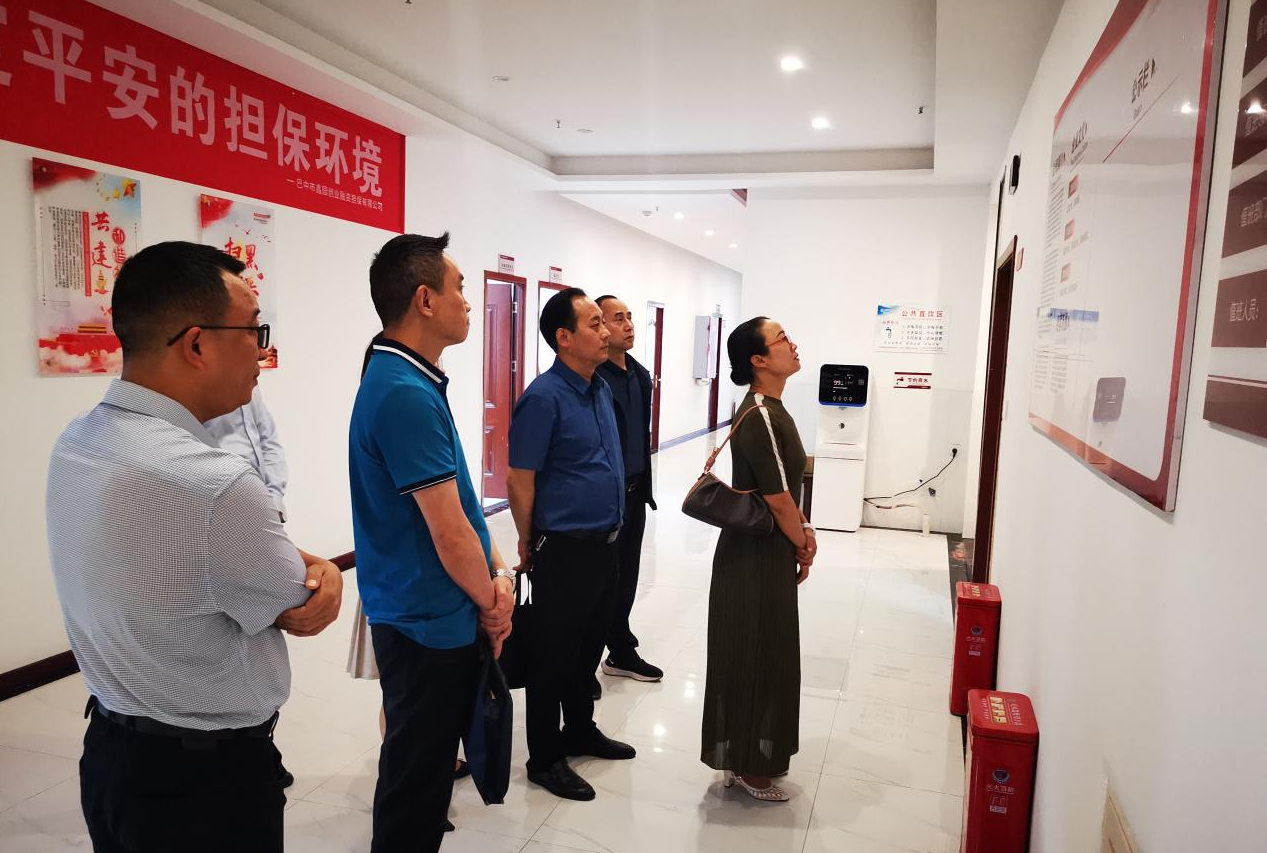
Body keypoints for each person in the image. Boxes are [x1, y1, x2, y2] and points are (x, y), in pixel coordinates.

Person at [45, 241, 343, 853]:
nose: (262, 351)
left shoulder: (78, 439)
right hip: (203, 786)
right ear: (197, 344)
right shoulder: (215, 484)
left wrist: (279, 555)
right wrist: (327, 574)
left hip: (109, 757)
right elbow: (296, 603)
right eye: (253, 331)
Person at [349, 232, 515, 853]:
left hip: (433, 607)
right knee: (416, 781)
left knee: (425, 768)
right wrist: (493, 602)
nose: (468, 302)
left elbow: (462, 504)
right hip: (424, 618)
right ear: (425, 299)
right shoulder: (402, 392)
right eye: (460, 288)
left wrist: (497, 571)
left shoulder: (410, 377)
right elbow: (447, 532)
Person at [507, 287, 637, 802]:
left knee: (588, 647)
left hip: (606, 544)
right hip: (564, 548)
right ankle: (544, 757)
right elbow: (520, 478)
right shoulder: (543, 398)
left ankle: (580, 729)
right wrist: (526, 541)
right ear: (564, 337)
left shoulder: (598, 387)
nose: (606, 331)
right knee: (553, 655)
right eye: (594, 324)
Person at [699, 316, 816, 803]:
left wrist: (801, 535)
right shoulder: (762, 414)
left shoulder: (771, 410)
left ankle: (747, 755)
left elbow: (783, 490)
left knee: (762, 650)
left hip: (764, 549)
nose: (792, 344)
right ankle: (748, 765)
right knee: (755, 653)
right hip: (755, 554)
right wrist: (804, 540)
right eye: (782, 339)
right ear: (758, 360)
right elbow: (779, 499)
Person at [593, 295, 662, 694]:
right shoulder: (594, 378)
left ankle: (620, 650)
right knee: (599, 582)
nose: (628, 324)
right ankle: (582, 663)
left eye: (630, 317)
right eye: (617, 318)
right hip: (604, 499)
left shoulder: (639, 375)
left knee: (627, 578)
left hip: (635, 493)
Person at [204, 386, 289, 522]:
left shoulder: (252, 385)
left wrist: (274, 498)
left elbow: (269, 440)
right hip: (220, 501)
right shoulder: (196, 386)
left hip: (263, 499)